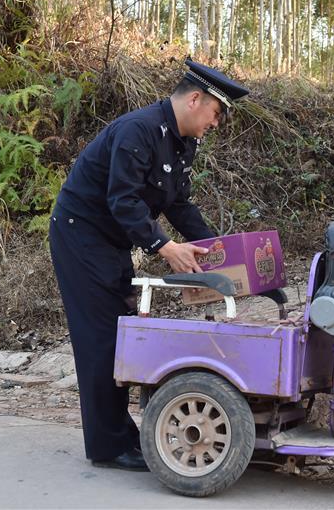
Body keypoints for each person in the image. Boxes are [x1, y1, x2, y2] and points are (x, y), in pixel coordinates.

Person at [49, 59, 249, 471]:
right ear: (195, 99)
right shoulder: (137, 131)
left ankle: (125, 434)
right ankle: (110, 446)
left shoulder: (181, 142)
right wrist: (164, 247)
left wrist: (222, 252)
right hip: (81, 235)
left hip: (112, 239)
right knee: (102, 337)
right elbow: (121, 200)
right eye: (215, 113)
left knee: (123, 331)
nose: (215, 124)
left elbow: (178, 203)